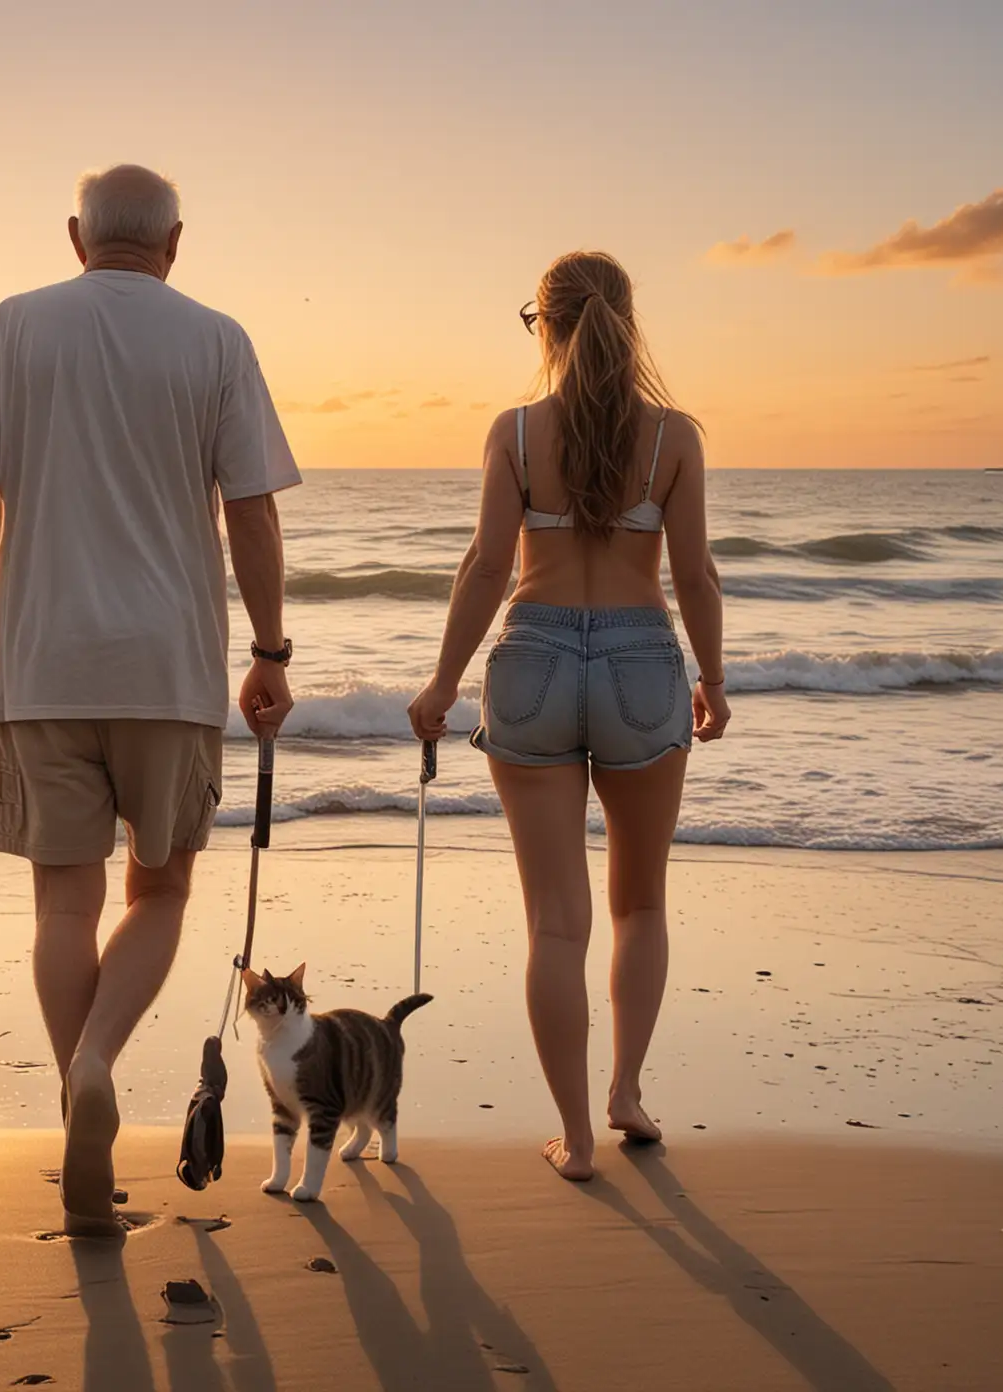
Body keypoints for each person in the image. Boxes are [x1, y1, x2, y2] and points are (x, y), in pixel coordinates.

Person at [0, 164, 300, 1234]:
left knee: (63, 907)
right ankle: (101, 1064)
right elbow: (251, 512)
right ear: (176, 240)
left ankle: (77, 1083)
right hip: (166, 670)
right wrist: (268, 650)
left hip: (40, 665)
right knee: (158, 893)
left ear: (77, 236)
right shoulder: (217, 339)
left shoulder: (16, 327)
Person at [407, 251, 728, 1181]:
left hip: (535, 660)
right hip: (640, 662)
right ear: (630, 322)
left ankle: (578, 1139)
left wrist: (440, 685)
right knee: (640, 902)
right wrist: (712, 677)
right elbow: (695, 576)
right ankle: (627, 1093)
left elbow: (483, 567)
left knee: (556, 923)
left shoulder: (514, 433)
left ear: (545, 325)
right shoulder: (674, 439)